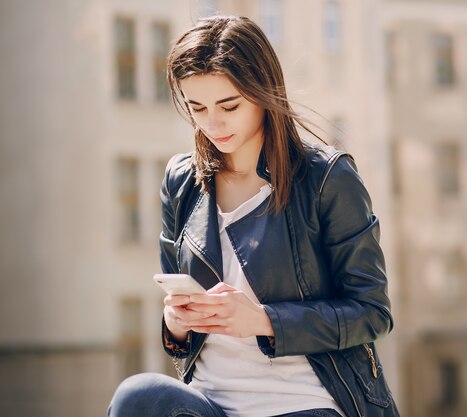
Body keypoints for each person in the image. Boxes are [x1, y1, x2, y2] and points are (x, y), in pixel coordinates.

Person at [108, 15, 399, 417]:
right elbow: (179, 332)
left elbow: (372, 313)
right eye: (197, 107)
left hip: (303, 402)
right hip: (209, 401)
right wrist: (176, 322)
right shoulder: (181, 181)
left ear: (262, 93)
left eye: (229, 105)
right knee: (135, 396)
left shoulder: (326, 178)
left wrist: (264, 320)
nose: (213, 123)